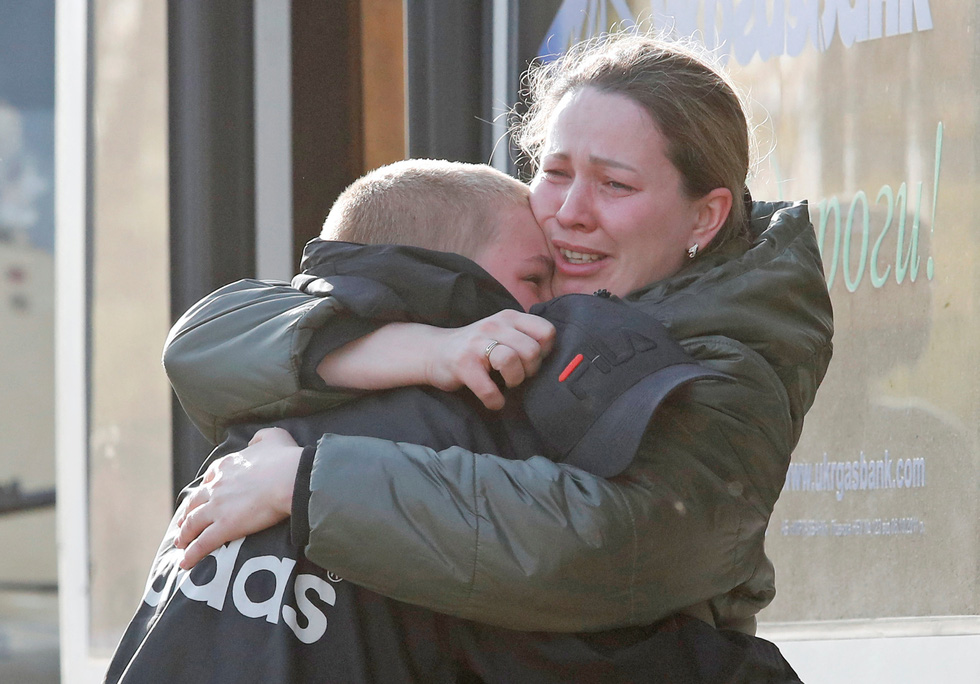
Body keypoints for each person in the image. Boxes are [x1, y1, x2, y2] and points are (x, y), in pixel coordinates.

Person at [166, 33, 833, 678]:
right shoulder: (511, 305)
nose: (571, 211)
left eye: (616, 186)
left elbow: (597, 547)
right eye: (557, 172)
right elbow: (205, 344)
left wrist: (306, 482)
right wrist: (426, 350)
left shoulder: (728, 367)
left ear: (704, 218)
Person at [108, 159, 760, 683]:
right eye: (535, 278)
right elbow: (575, 653)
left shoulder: (260, 425)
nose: (554, 309)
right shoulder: (462, 436)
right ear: (445, 278)